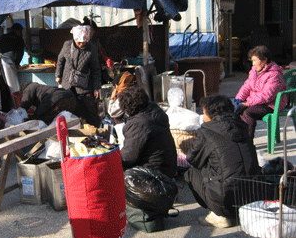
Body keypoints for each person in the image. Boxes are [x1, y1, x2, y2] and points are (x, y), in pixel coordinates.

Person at [185, 95, 260, 228]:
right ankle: (235, 211)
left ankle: (220, 214)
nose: (202, 116)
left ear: (211, 114)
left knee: (190, 173)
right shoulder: (243, 125)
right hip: (252, 195)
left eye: (203, 112)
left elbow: (192, 159)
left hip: (225, 198)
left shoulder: (206, 131)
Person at [118, 86, 177, 178]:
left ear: (126, 108)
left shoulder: (138, 123)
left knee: (116, 166)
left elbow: (128, 157)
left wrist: (111, 157)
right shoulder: (156, 111)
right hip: (168, 167)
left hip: (154, 173)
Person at [234, 45, 287, 138]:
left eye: (255, 60)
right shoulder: (254, 70)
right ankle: (240, 140)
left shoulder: (274, 74)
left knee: (248, 113)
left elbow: (267, 96)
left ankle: (248, 142)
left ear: (264, 60)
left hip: (271, 104)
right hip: (257, 102)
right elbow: (246, 86)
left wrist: (247, 103)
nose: (253, 64)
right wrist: (238, 99)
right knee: (237, 110)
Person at [55, 25, 101, 127]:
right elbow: (60, 60)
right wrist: (58, 75)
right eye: (78, 42)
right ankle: (71, 130)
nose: (81, 44)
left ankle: (93, 132)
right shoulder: (67, 45)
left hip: (84, 84)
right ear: (74, 38)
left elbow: (96, 70)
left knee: (90, 110)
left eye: (83, 42)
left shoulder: (91, 49)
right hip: (68, 82)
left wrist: (96, 87)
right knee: (69, 109)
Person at [82, 17, 114, 84]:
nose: (92, 32)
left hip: (96, 71)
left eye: (93, 30)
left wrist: (106, 59)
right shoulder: (80, 43)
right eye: (91, 30)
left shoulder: (95, 42)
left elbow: (102, 52)